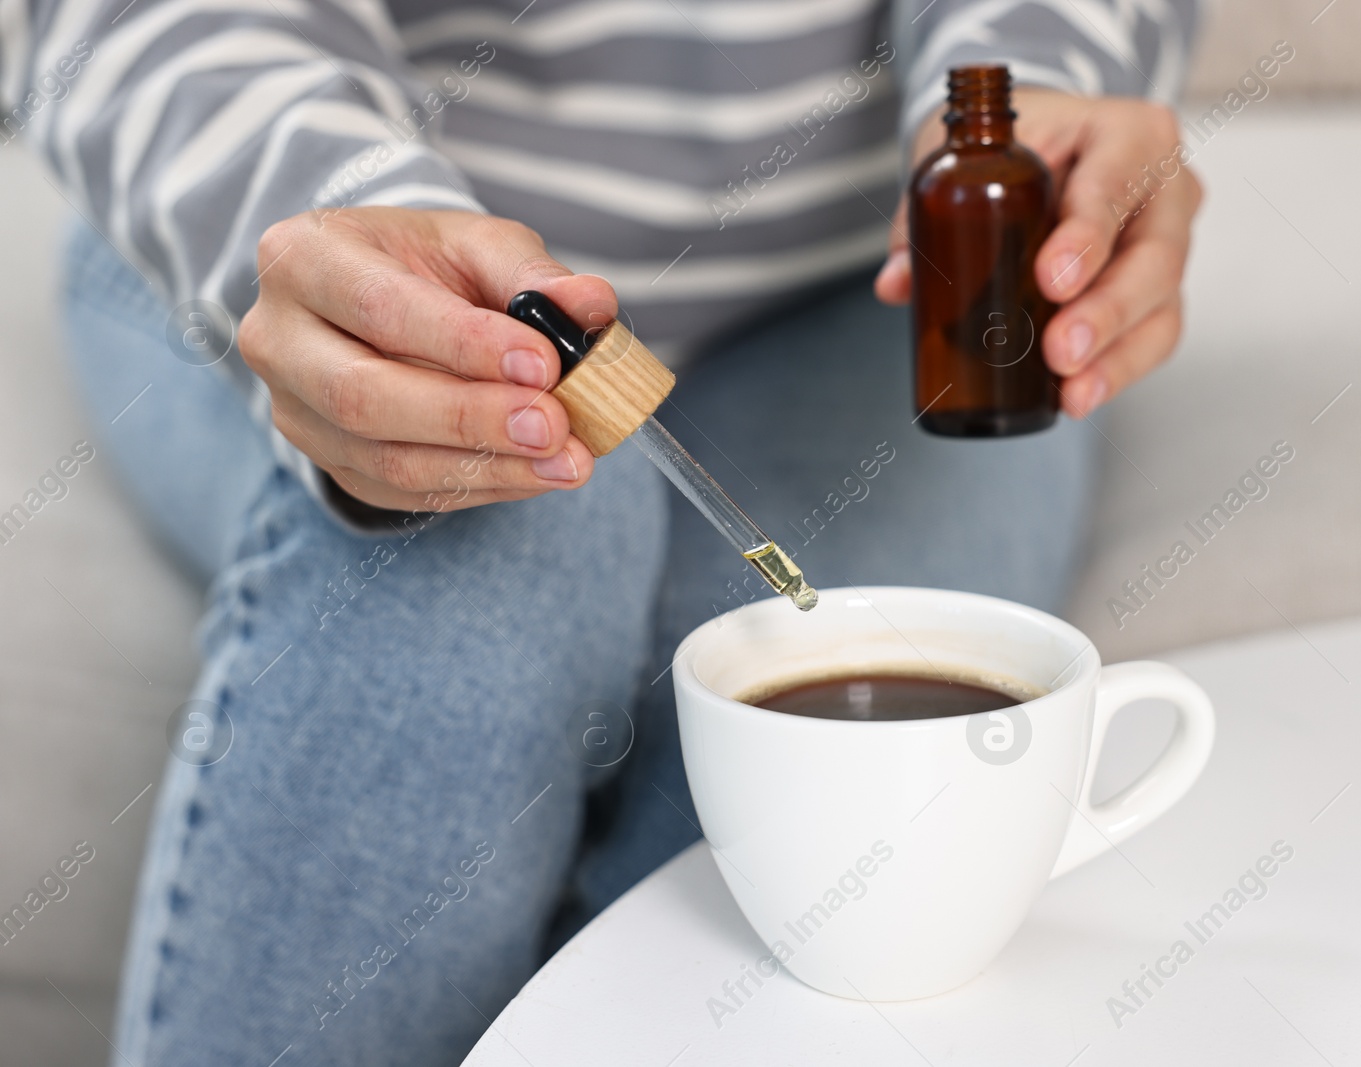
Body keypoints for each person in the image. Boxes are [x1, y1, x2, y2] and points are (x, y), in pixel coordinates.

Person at [8, 0, 1201, 1062]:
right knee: (495, 549)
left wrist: (1034, 97)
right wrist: (354, 232)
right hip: (315, 207)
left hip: (845, 280)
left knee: (825, 777)